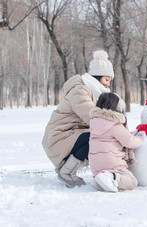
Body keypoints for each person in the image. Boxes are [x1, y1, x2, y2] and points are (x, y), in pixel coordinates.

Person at [42, 50, 115, 188]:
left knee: (99, 136)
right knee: (96, 138)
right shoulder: (80, 91)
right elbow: (91, 117)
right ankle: (66, 172)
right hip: (58, 138)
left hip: (70, 135)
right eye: (107, 79)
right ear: (97, 77)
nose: (108, 85)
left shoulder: (94, 92)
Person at [88, 92, 144, 192]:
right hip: (111, 163)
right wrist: (141, 139)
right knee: (132, 182)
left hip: (95, 165)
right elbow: (129, 141)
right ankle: (112, 177)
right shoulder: (114, 123)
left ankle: (100, 181)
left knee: (110, 181)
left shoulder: (94, 122)